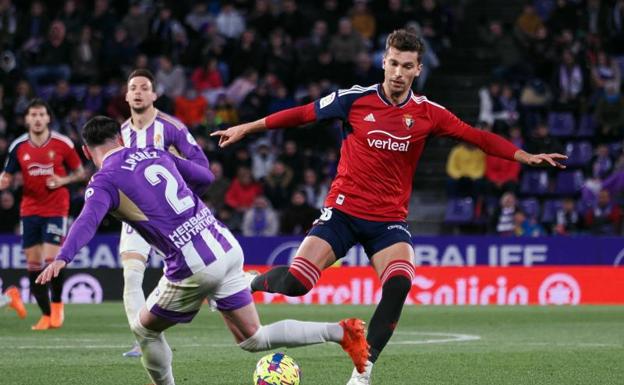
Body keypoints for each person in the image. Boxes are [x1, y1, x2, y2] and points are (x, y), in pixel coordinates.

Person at [211, 28, 567, 385]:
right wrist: (248, 128)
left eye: (406, 66)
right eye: (393, 63)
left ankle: (363, 371)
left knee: (398, 283)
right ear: (384, 62)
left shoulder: (429, 113)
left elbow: (478, 137)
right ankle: (250, 281)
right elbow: (302, 114)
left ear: (418, 70)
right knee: (296, 283)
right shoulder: (354, 100)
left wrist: (524, 156)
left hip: (388, 221)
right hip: (343, 212)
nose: (398, 72)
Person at [37, 116, 369, 385]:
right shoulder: (156, 154)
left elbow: (86, 221)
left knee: (143, 329)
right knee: (252, 338)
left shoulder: (104, 179)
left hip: (191, 265)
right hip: (223, 245)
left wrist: (63, 257)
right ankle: (342, 332)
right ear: (121, 140)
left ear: (84, 151)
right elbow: (204, 178)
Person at [118, 69, 210, 358]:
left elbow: (203, 169)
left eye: (144, 87)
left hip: (171, 218)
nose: (138, 92)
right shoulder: (119, 134)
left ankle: (243, 285)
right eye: (133, 87)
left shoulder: (172, 128)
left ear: (154, 94)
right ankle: (143, 340)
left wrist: (182, 190)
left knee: (200, 276)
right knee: (131, 276)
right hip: (135, 217)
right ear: (126, 95)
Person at [0, 98, 85, 330]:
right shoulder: (18, 146)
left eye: (41, 115)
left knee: (51, 259)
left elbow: (80, 173)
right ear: (27, 119)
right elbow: (7, 174)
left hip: (56, 207)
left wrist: (63, 180)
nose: (37, 119)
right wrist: (4, 181)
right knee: (34, 264)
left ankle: (57, 307)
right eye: (33, 115)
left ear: (48, 118)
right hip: (30, 209)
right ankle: (46, 314)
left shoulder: (62, 143)